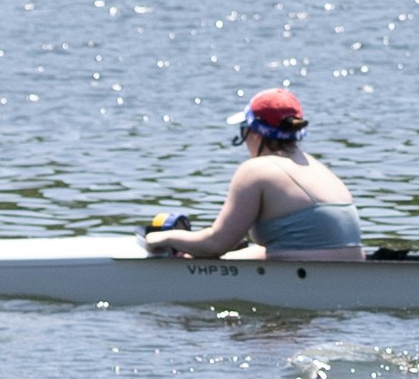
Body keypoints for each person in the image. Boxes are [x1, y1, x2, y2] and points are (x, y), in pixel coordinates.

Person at [149, 89, 366, 261]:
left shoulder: (256, 171)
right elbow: (277, 250)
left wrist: (162, 238)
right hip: (354, 272)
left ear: (253, 133)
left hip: (309, 276)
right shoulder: (316, 167)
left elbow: (216, 244)